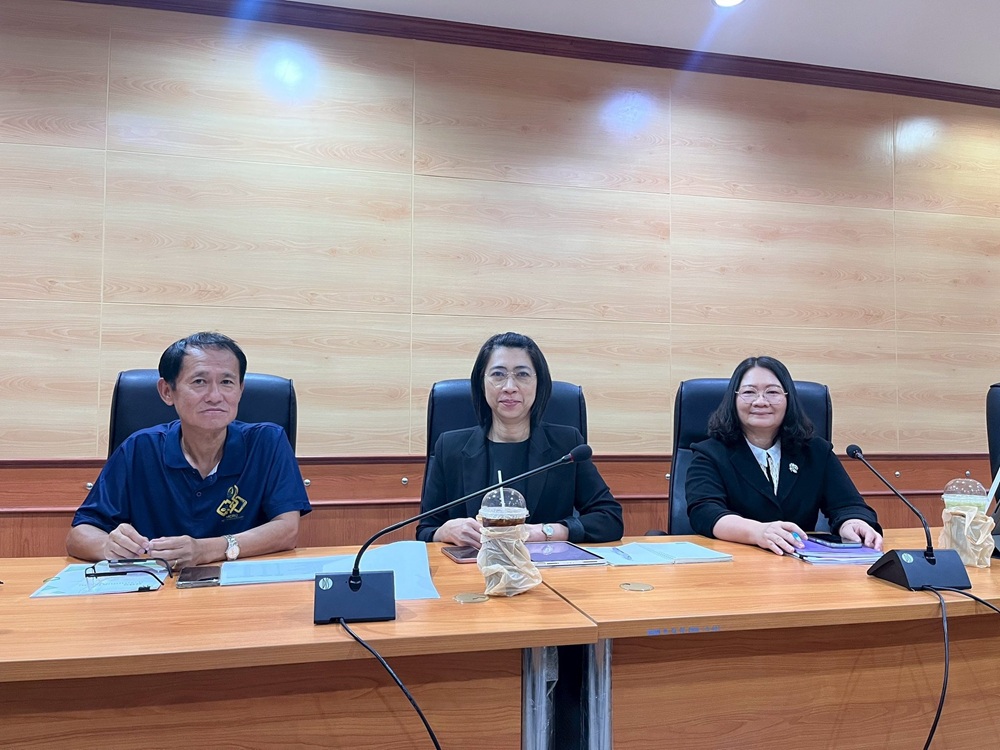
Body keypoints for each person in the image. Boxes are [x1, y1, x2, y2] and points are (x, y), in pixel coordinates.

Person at [67, 332, 311, 568]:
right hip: (159, 587)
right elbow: (79, 534)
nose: (215, 396)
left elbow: (287, 530)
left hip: (242, 587)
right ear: (167, 391)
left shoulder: (268, 441)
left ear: (240, 390)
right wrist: (108, 546)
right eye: (199, 382)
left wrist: (206, 550)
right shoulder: (139, 448)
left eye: (227, 382)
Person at [417, 331, 624, 547]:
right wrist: (445, 531)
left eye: (522, 374)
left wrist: (547, 531)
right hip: (472, 564)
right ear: (481, 383)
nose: (509, 387)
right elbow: (425, 530)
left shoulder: (566, 446)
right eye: (498, 374)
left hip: (544, 564)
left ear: (539, 383)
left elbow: (610, 519)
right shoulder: (449, 447)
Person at [686, 355, 882, 556]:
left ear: (789, 399)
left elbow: (848, 505)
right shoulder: (710, 453)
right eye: (749, 392)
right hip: (735, 562)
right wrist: (757, 532)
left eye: (772, 392)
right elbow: (705, 512)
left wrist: (853, 523)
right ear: (733, 400)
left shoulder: (816, 451)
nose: (761, 401)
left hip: (801, 562)